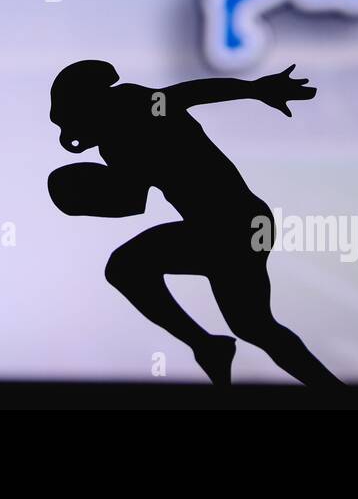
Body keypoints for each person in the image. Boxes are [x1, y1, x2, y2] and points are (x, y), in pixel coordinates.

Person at [48, 60, 340, 386]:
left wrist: (255, 89)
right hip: (237, 223)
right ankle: (323, 386)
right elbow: (131, 200)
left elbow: (188, 93)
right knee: (253, 326)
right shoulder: (116, 139)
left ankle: (207, 346)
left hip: (228, 225)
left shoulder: (131, 107)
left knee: (125, 267)